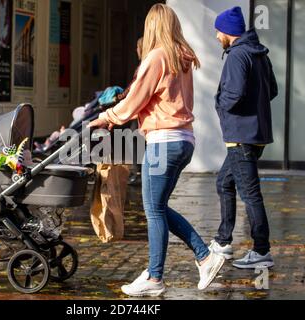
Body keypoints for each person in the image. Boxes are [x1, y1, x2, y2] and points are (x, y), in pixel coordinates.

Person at [88, 3, 225, 296]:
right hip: (183, 140)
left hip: (163, 142)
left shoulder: (158, 57)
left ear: (151, 26)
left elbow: (135, 98)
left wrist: (106, 117)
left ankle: (171, 270)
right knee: (157, 208)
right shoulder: (181, 56)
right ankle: (170, 269)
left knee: (153, 209)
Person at [209, 7, 278, 269]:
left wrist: (221, 107)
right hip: (254, 134)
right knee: (224, 182)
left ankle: (261, 251)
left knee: (250, 195)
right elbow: (272, 89)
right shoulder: (259, 53)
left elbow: (234, 93)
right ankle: (224, 240)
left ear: (228, 32)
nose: (216, 36)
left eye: (218, 30)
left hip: (241, 136)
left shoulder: (238, 55)